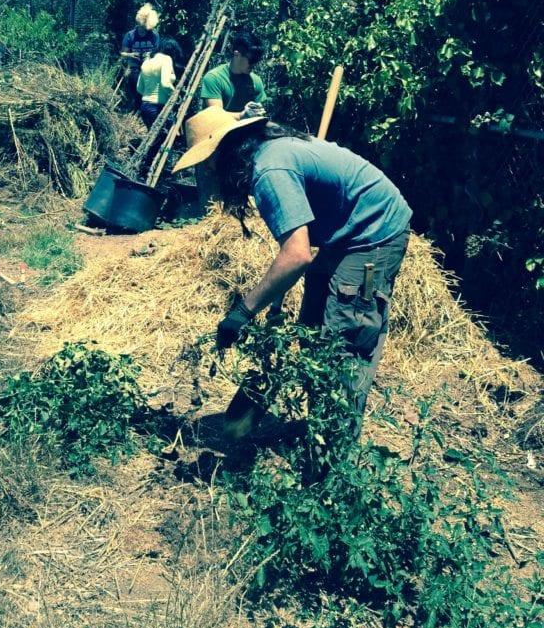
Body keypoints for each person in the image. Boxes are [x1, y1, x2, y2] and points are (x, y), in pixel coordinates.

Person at [172, 104, 412, 440]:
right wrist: (273, 304)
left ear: (225, 152)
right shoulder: (269, 155)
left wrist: (243, 311)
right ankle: (320, 431)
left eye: (207, 163)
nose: (208, 172)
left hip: (372, 234)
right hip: (341, 231)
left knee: (343, 339)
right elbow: (297, 244)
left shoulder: (270, 171)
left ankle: (334, 457)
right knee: (311, 329)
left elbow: (296, 256)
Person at [199, 30, 266, 115]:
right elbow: (216, 117)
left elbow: (259, 116)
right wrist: (242, 116)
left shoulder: (256, 81)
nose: (254, 64)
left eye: (257, 61)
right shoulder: (214, 78)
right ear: (237, 55)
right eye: (252, 60)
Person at [136, 37, 183, 130]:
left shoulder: (147, 62)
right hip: (158, 109)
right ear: (172, 51)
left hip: (145, 107)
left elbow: (139, 88)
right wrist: (176, 95)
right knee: (166, 141)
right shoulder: (166, 59)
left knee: (154, 140)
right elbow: (165, 83)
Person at [120, 4, 160, 111]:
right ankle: (138, 111)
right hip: (135, 68)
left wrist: (150, 56)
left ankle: (145, 111)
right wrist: (130, 55)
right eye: (143, 27)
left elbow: (158, 53)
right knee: (137, 90)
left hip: (151, 69)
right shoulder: (130, 35)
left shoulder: (154, 35)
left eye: (146, 28)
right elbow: (122, 54)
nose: (144, 30)